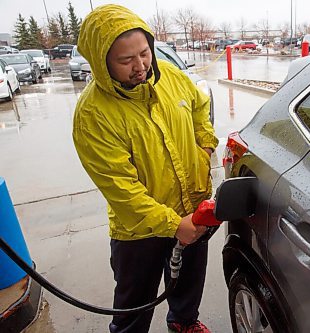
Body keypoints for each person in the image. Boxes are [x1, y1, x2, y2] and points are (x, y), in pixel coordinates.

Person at [72, 5, 217, 333]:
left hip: (191, 209)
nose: (140, 66)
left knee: (188, 282)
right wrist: (172, 224)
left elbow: (200, 103)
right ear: (101, 61)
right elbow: (122, 192)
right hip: (140, 230)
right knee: (134, 302)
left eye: (144, 53)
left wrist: (204, 146)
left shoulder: (170, 77)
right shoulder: (93, 115)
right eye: (126, 60)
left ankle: (183, 322)